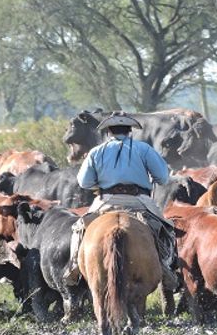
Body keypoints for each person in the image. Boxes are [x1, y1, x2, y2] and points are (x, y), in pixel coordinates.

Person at [64, 111, 177, 286]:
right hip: (139, 201)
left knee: (79, 228)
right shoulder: (144, 149)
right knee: (166, 228)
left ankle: (73, 267)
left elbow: (84, 182)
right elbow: (163, 177)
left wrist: (100, 179)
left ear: (109, 131)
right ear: (129, 130)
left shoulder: (96, 152)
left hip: (106, 200)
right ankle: (166, 267)